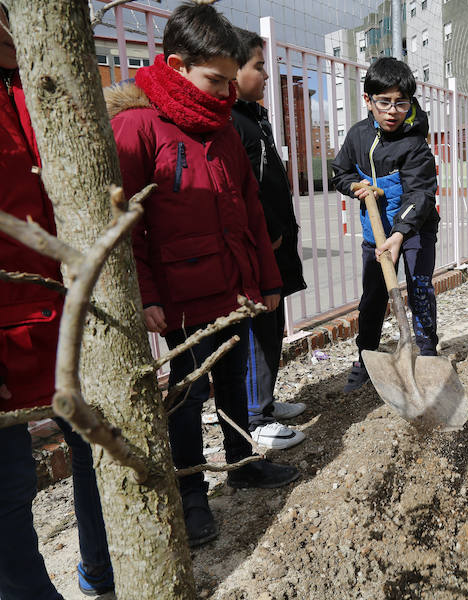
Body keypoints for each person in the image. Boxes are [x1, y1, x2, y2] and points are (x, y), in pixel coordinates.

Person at [106, 3, 300, 547]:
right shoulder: (137, 128)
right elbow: (126, 223)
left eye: (230, 80)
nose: (226, 92)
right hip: (181, 295)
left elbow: (250, 212)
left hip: (234, 287)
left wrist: (266, 282)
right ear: (174, 64)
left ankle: (241, 464)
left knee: (235, 377)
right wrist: (145, 294)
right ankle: (192, 492)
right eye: (215, 80)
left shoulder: (223, 129)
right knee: (187, 396)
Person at [0, 8, 113, 597]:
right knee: (8, 492)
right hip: (8, 333)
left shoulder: (35, 87)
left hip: (69, 319)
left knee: (99, 449)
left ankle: (100, 571)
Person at [331, 57, 441, 393]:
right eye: (384, 102)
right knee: (373, 297)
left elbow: (421, 193)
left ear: (410, 103)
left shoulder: (415, 143)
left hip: (414, 231)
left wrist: (398, 233)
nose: (392, 111)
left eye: (400, 103)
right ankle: (366, 357)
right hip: (374, 235)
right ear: (368, 100)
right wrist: (356, 187)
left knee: (419, 289)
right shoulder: (358, 137)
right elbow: (341, 172)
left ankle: (425, 355)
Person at [231, 28, 307, 450]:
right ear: (232, 69)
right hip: (262, 247)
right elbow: (245, 193)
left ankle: (265, 402)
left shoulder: (254, 119)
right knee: (258, 327)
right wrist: (270, 234)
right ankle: (254, 417)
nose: (265, 74)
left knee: (272, 323)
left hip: (274, 246)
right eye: (258, 66)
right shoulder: (234, 125)